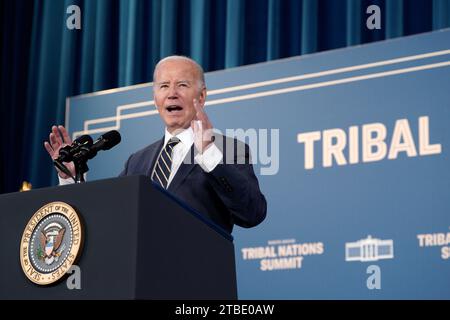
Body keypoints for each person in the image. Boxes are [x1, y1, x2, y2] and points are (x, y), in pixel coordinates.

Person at [44, 56, 267, 233]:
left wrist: (208, 153)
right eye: (163, 86)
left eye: (182, 85)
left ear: (202, 96)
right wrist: (70, 177)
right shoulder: (137, 161)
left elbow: (252, 213)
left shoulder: (228, 150)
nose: (172, 94)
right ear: (155, 99)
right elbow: (107, 218)